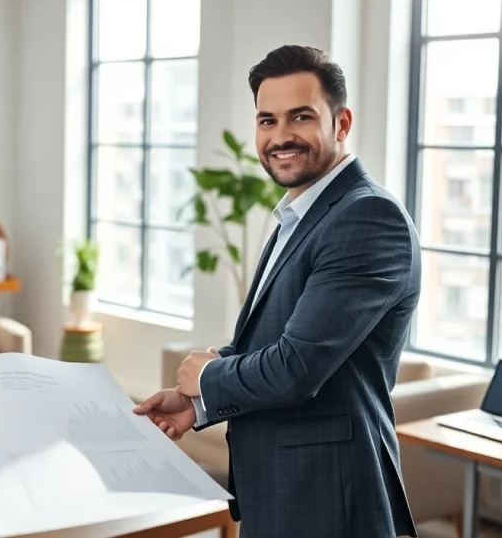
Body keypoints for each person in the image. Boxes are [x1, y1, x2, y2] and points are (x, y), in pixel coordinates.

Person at [134, 45, 421, 538]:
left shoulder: (366, 217)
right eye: (267, 120)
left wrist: (209, 377)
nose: (280, 136)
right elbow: (281, 342)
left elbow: (295, 367)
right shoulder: (300, 214)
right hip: (282, 485)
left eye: (301, 117)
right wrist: (199, 403)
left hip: (327, 496)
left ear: (342, 122)